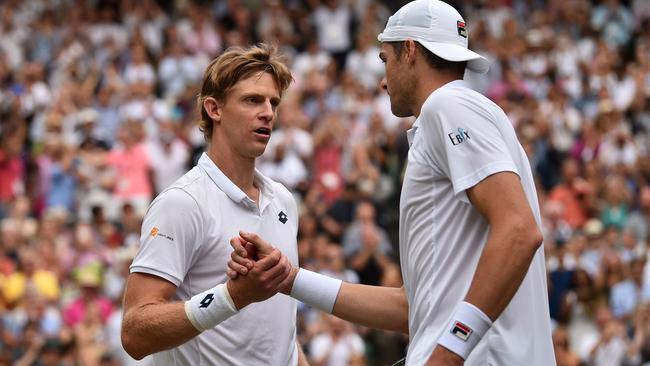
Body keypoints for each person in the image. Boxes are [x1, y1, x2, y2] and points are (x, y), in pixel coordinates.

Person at [228, 1, 555, 365]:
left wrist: (447, 355)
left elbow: (520, 231)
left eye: (386, 59)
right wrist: (289, 279)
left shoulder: (448, 105)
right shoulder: (465, 113)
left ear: (410, 50)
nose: (383, 80)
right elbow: (409, 309)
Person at [120, 43, 308, 365]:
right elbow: (135, 333)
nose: (268, 112)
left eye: (273, 102)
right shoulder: (182, 202)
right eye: (252, 100)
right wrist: (231, 297)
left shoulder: (283, 200)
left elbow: (280, 330)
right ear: (214, 109)